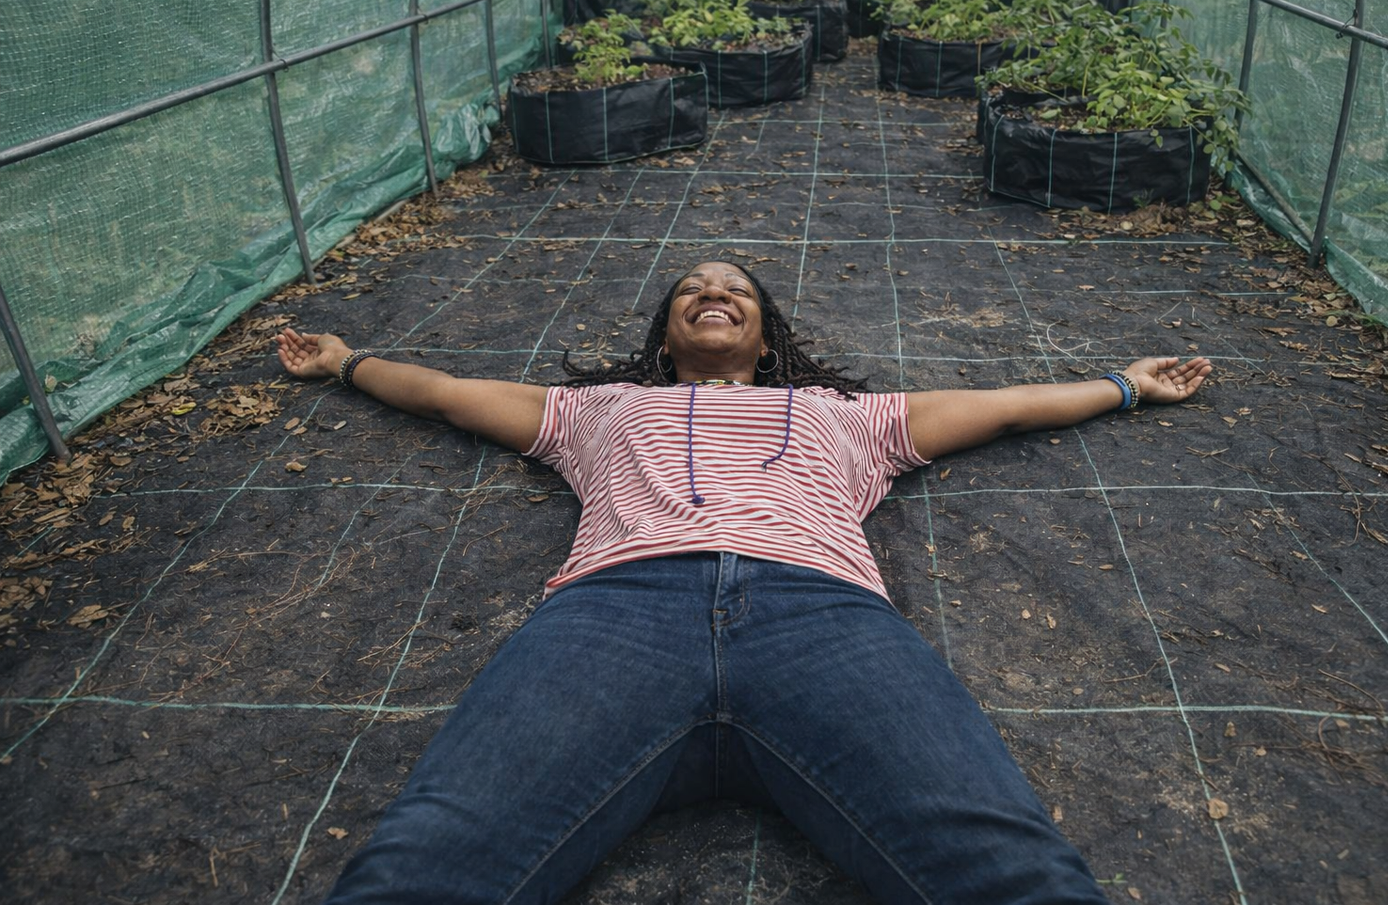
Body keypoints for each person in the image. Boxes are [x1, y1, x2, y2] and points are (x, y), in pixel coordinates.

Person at [276, 260, 1212, 905]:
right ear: (666, 332)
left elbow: (1006, 408)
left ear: (765, 335)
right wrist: (347, 361)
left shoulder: (848, 414)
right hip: (616, 613)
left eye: (733, 289)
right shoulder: (595, 410)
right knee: (426, 862)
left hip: (825, 618)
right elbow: (442, 392)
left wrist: (1125, 385)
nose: (712, 292)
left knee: (1012, 869)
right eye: (692, 288)